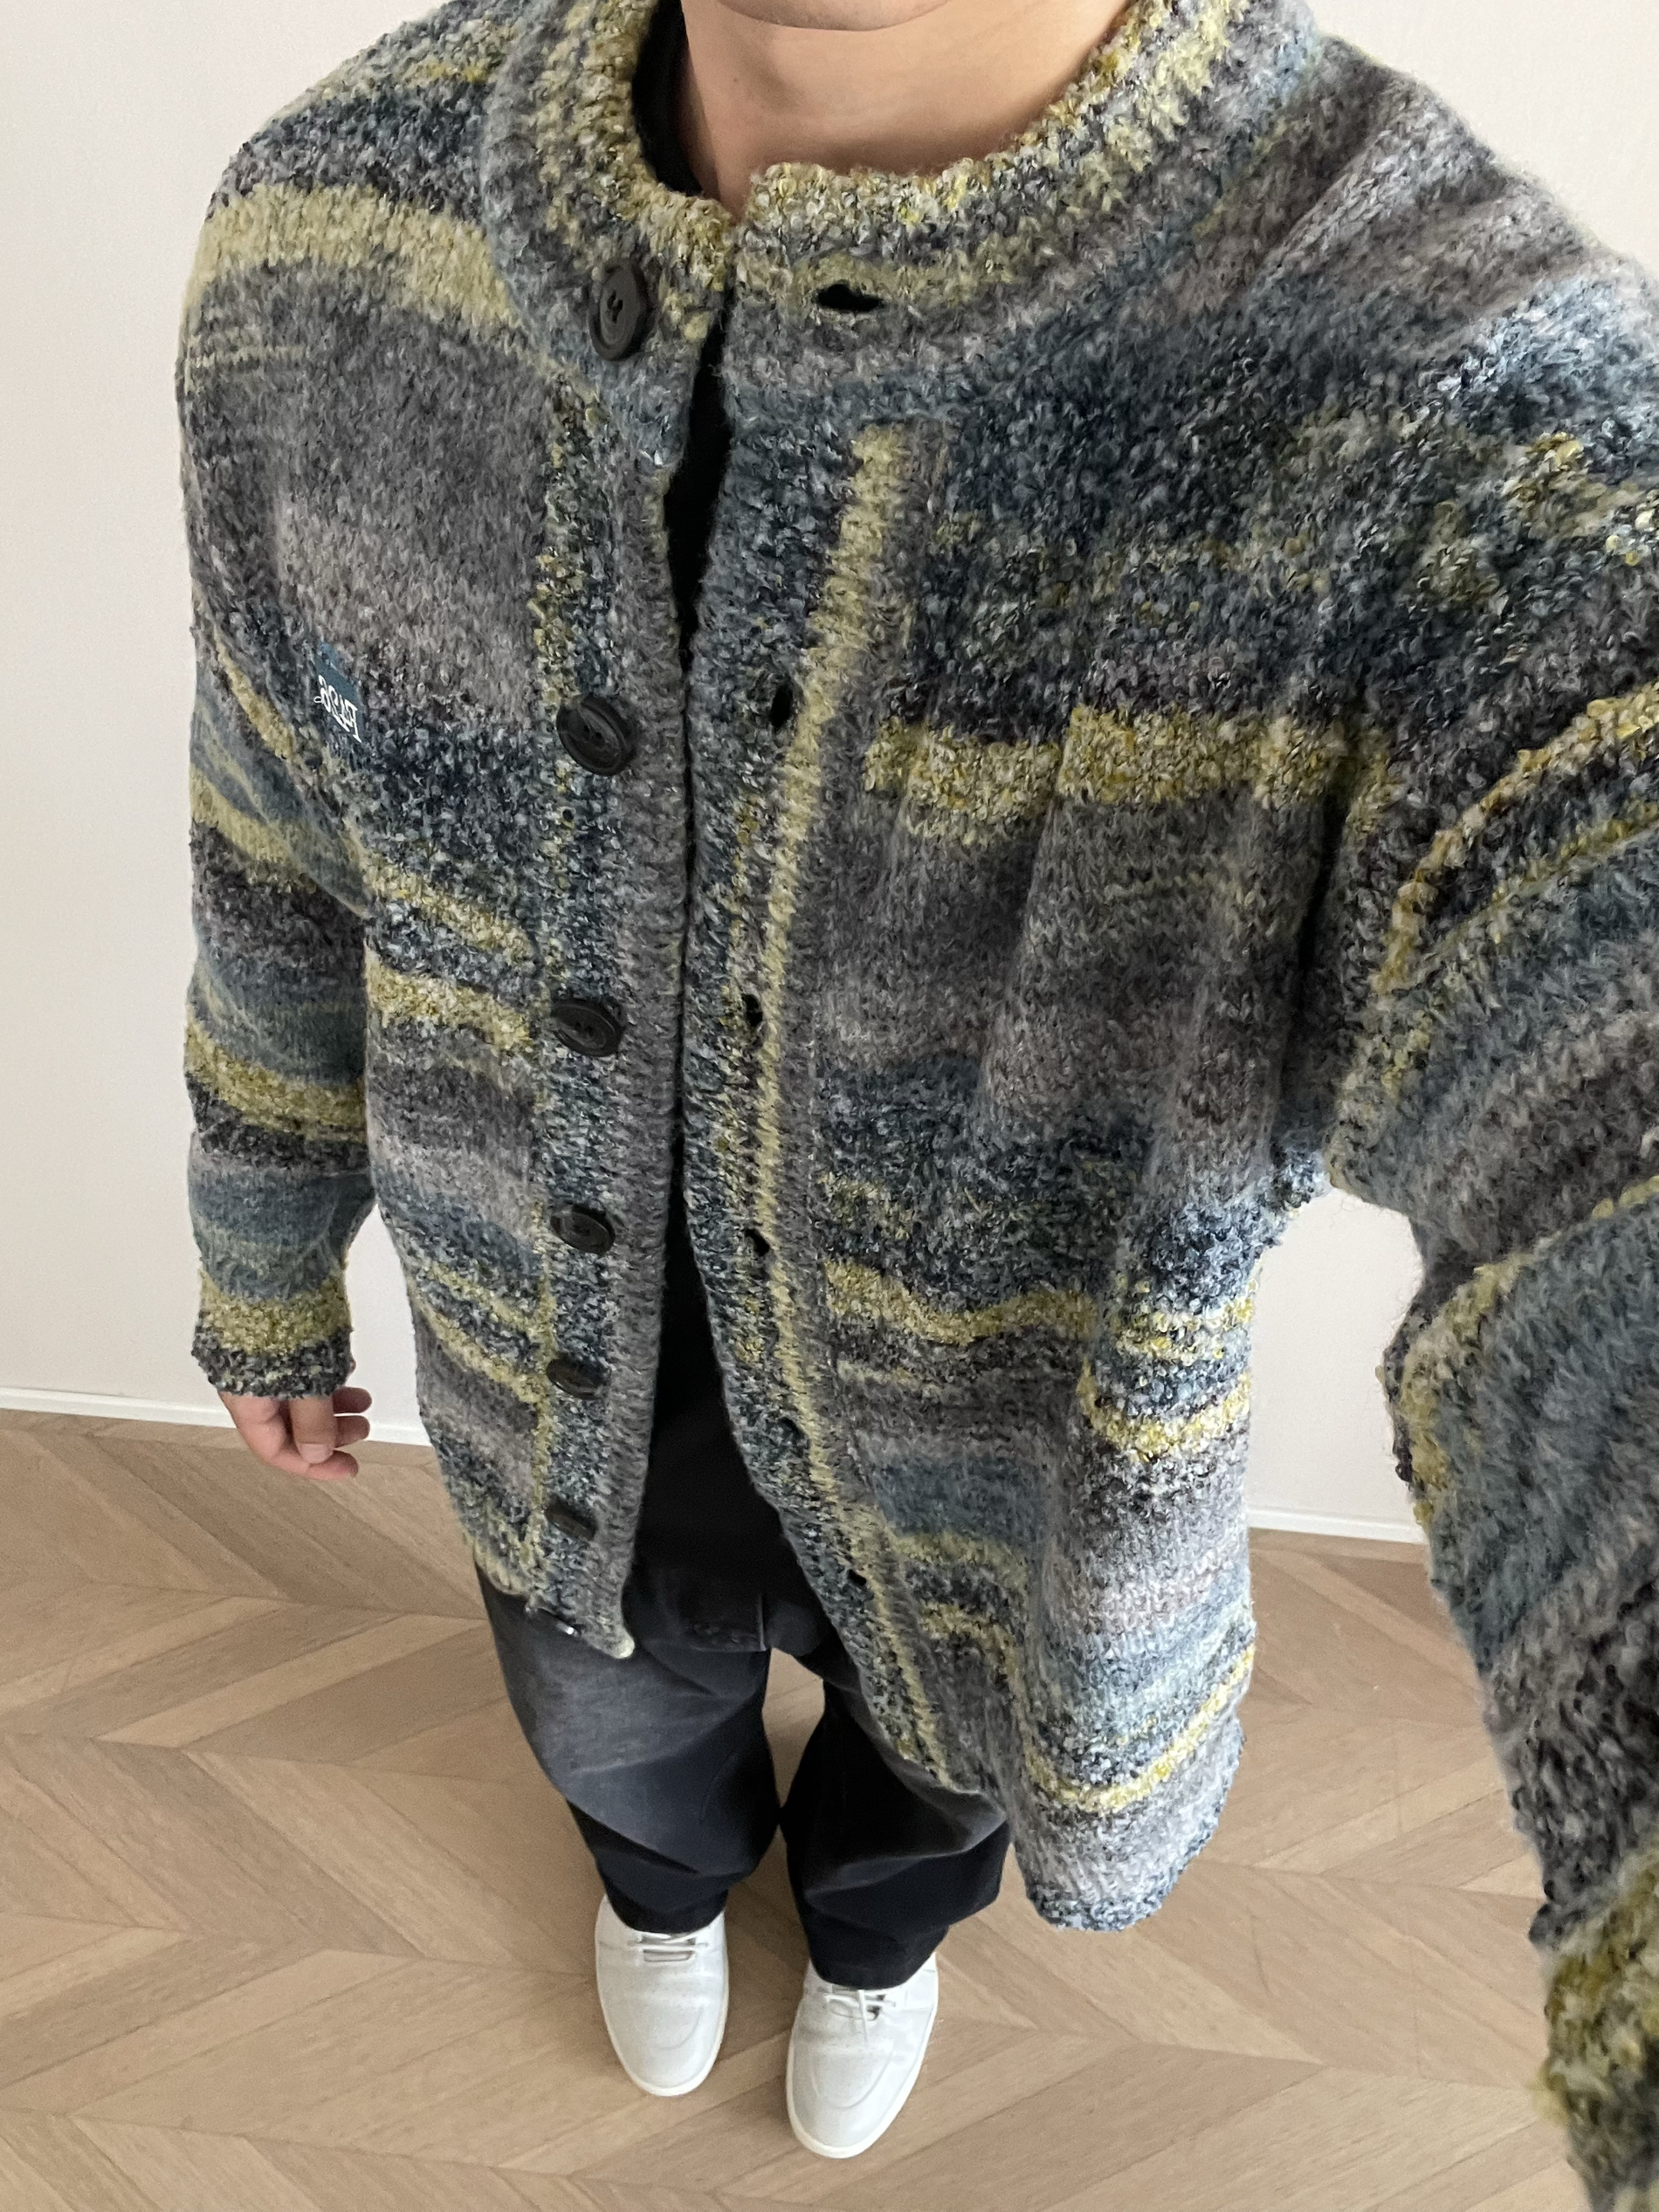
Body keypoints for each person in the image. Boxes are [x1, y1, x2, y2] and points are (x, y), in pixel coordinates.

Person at [180, 0, 1659, 2192]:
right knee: (614, 1737)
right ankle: (666, 1886)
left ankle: (869, 1942)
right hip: (542, 1402)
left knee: (928, 1784)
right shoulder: (329, 228)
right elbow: (273, 831)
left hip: (998, 1487)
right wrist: (261, 1254)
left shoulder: (1442, 399)